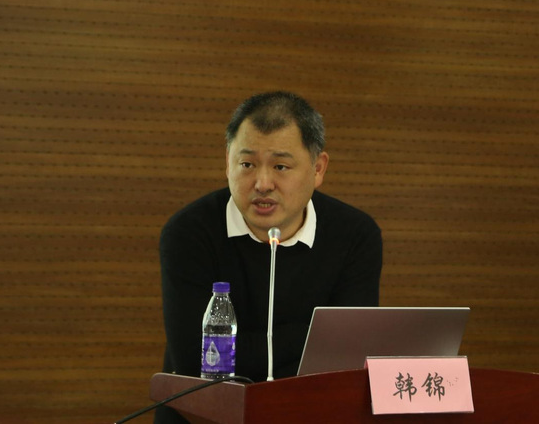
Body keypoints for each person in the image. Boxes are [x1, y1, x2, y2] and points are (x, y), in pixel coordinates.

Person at [155, 91, 382, 423]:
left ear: (318, 168)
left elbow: (349, 356)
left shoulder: (354, 235)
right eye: (247, 164)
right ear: (227, 162)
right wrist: (311, 336)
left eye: (280, 166)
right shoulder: (189, 232)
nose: (262, 183)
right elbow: (197, 362)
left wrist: (243, 348)